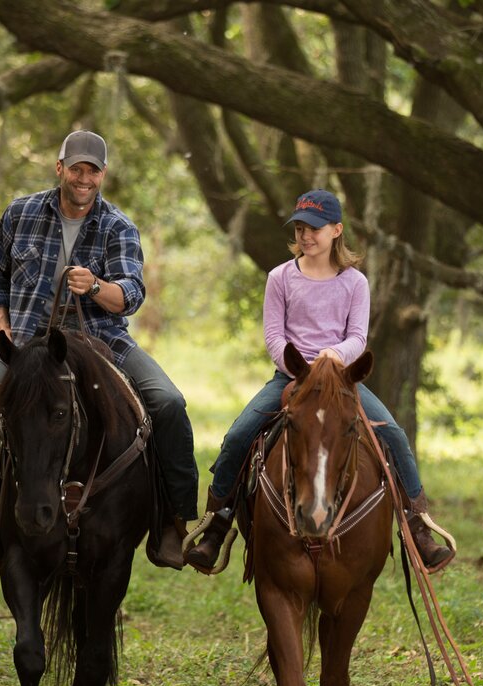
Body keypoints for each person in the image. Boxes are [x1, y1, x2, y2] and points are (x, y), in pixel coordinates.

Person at [0, 130, 197, 572]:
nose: (84, 179)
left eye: (93, 171)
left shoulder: (117, 226)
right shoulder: (20, 213)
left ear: (103, 175)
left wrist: (96, 286)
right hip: (27, 344)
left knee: (168, 402)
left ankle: (172, 522)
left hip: (102, 343)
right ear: (60, 168)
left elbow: (132, 294)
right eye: (77, 169)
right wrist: (1, 329)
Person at [183, 189, 455, 574]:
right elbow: (275, 337)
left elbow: (357, 337)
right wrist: (301, 370)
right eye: (300, 228)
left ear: (336, 230)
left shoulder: (354, 282)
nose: (306, 235)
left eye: (314, 228)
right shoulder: (280, 277)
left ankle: (417, 526)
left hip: (340, 382)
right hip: (291, 378)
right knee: (239, 435)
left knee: (392, 434)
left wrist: (336, 358)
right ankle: (218, 523)